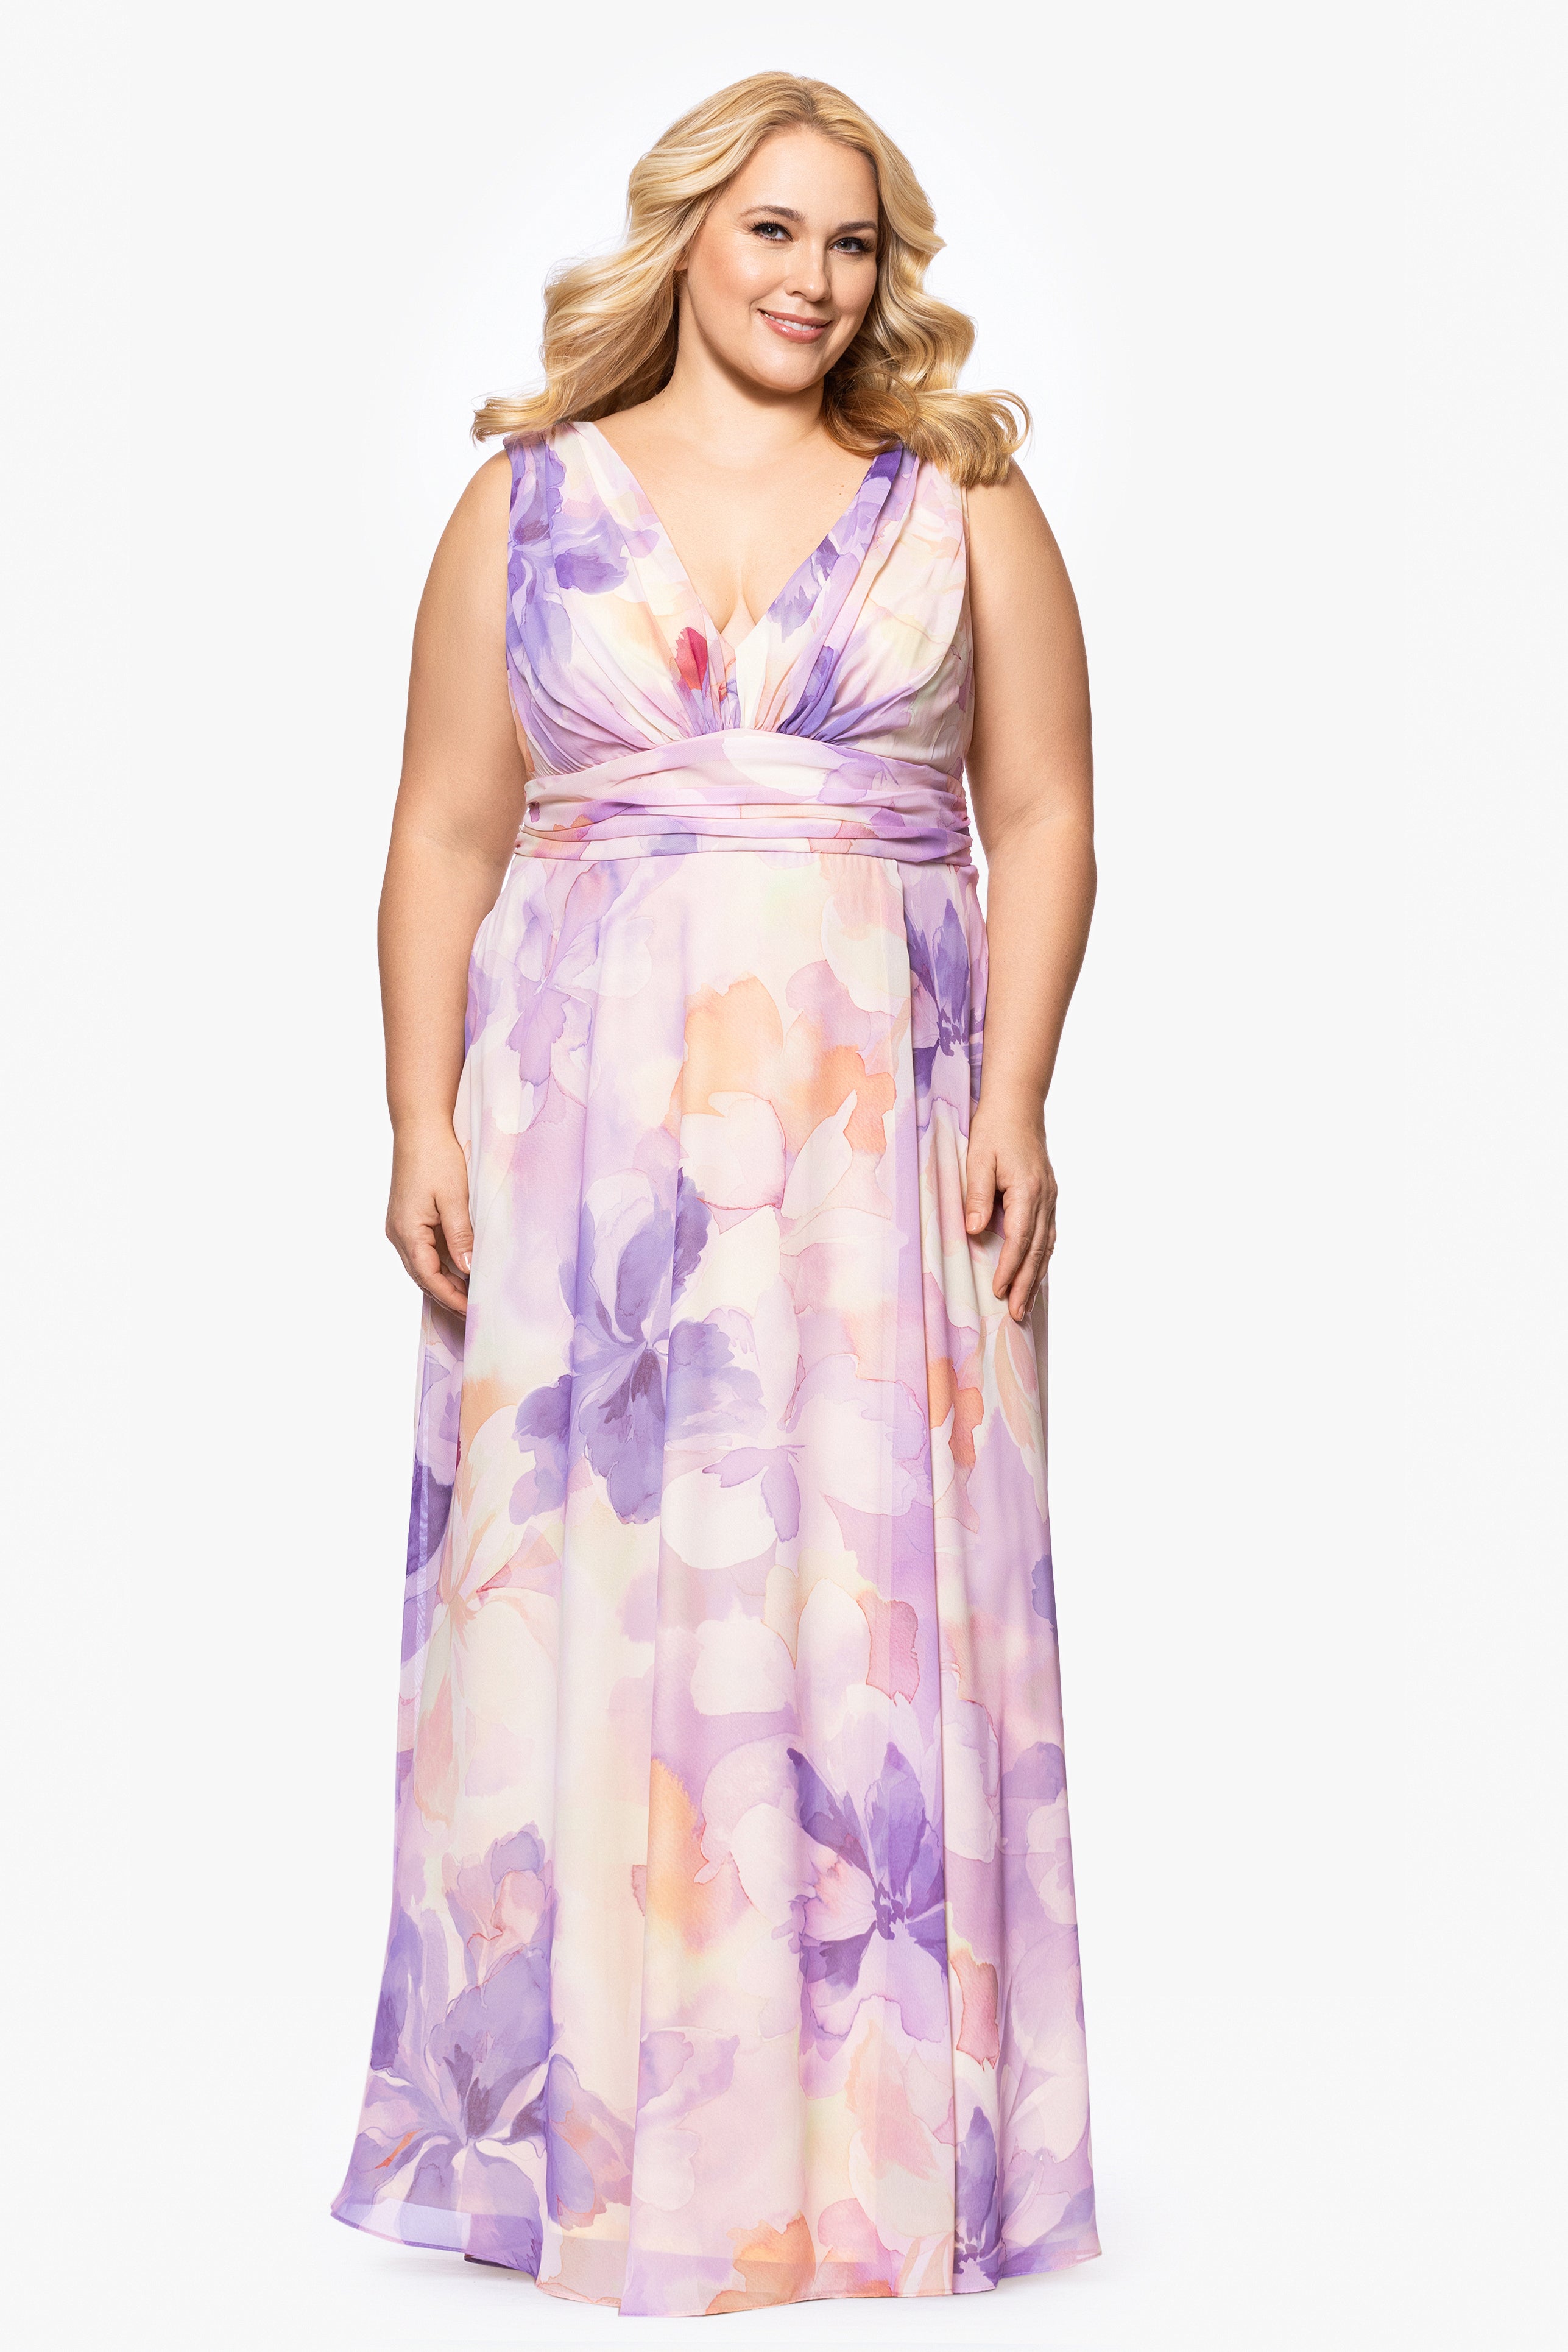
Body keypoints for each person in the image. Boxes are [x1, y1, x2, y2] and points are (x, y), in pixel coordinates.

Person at [331, 69, 1099, 2319]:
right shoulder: (527, 502)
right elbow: (442, 829)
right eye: (774, 230)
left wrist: (1021, 1093)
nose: (814, 280)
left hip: (883, 1144)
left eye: (853, 243)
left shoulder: (961, 498)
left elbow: (1046, 814)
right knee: (590, 1600)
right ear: (687, 234)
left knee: (864, 1612)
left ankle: (870, 2163)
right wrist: (417, 1115)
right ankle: (589, 2142)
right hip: (594, 1155)